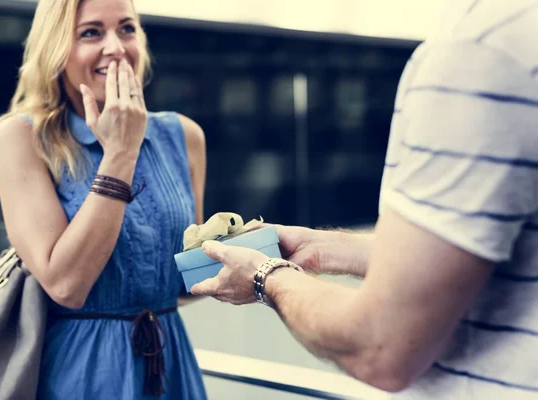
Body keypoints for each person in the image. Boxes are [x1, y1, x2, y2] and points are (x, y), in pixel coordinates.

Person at [191, 1, 538, 398]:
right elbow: (471, 255)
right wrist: (323, 249)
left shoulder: (480, 53)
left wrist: (264, 276)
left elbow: (378, 346)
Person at [0, 0, 207, 398]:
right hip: (83, 372)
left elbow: (180, 282)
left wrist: (245, 250)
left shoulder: (184, 135)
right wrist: (121, 152)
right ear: (57, 49)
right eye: (91, 32)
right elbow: (66, 284)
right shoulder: (20, 138)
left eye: (127, 28)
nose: (116, 47)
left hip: (170, 363)